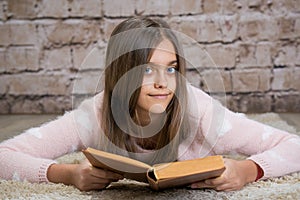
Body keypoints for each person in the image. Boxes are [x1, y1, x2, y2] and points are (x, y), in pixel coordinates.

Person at [0, 16, 300, 192]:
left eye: (170, 68)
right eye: (146, 69)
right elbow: (5, 156)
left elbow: (294, 146)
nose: (163, 82)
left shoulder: (199, 109)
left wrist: (249, 170)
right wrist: (67, 174)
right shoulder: (97, 112)